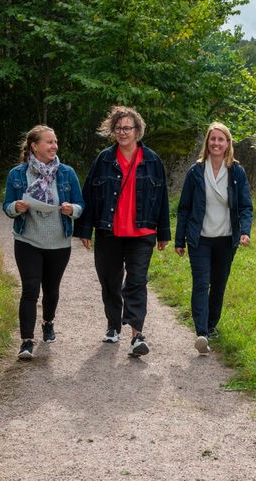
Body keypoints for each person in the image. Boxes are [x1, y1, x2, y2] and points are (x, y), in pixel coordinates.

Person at [74, 106, 170, 357]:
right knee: (110, 282)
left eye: (127, 128)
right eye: (118, 128)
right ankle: (113, 325)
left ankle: (137, 335)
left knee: (137, 281)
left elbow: (162, 198)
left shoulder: (152, 160)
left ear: (137, 130)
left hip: (142, 232)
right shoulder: (104, 159)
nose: (123, 132)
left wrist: (164, 233)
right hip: (109, 232)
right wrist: (85, 229)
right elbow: (90, 195)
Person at [2, 125, 85, 360]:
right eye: (49, 142)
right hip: (27, 240)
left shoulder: (66, 173)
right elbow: (7, 206)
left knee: (51, 289)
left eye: (55, 142)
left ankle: (48, 322)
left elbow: (81, 205)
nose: (54, 146)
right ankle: (26, 341)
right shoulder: (17, 174)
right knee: (30, 289)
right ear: (34, 146)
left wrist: (72, 209)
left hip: (59, 243)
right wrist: (15, 208)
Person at [174, 122, 253, 355]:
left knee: (218, 285)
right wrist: (180, 240)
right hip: (200, 240)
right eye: (213, 139)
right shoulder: (195, 172)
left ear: (228, 144)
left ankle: (211, 324)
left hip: (227, 240)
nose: (216, 143)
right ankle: (201, 332)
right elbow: (184, 209)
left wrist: (245, 231)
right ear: (207, 143)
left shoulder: (236, 172)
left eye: (221, 139)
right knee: (201, 284)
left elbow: (245, 206)